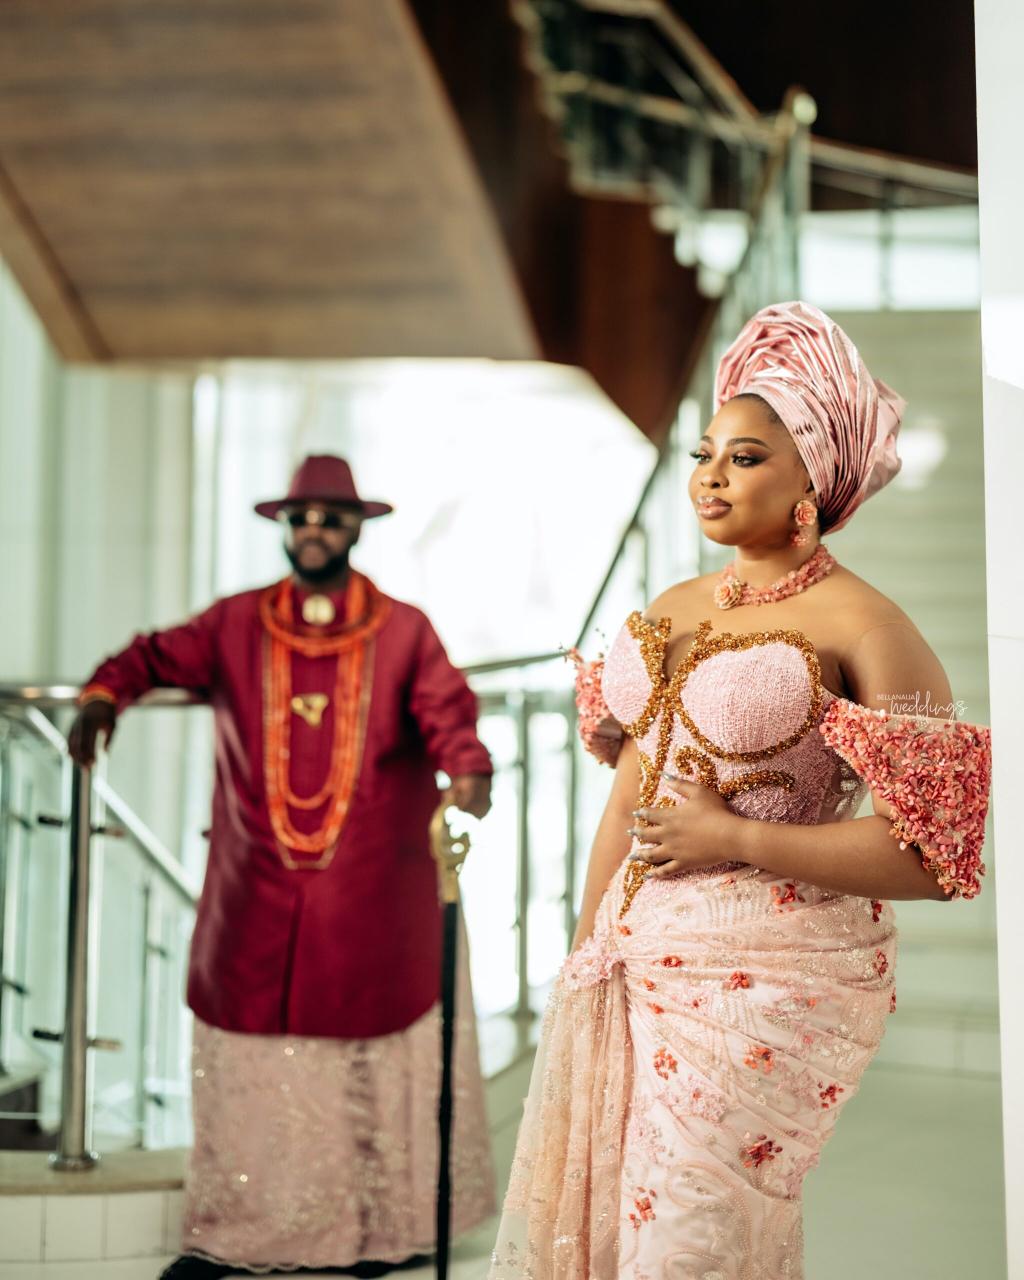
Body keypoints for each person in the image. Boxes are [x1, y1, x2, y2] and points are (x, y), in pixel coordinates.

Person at [489, 302, 992, 1280]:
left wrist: (732, 835)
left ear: (813, 477)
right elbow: (631, 792)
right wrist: (585, 948)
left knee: (688, 1235)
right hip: (633, 956)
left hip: (769, 976)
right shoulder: (674, 604)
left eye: (746, 457)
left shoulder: (870, 627)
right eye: (704, 453)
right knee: (616, 1225)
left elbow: (933, 855)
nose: (710, 476)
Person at [67, 455, 497, 1279]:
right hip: (253, 889)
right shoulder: (234, 623)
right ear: (284, 526)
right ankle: (234, 1234)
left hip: (372, 890)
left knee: (368, 1053)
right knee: (254, 1063)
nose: (314, 530)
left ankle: (376, 1238)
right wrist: (99, 697)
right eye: (302, 517)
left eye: (331, 518)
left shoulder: (404, 629)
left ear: (358, 528)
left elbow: (449, 714)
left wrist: (470, 774)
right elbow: (149, 657)